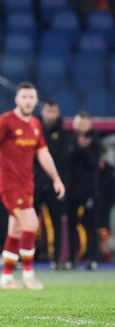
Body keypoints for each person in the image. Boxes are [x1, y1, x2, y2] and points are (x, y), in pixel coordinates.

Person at [0, 83, 65, 290]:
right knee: (32, 223)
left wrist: (56, 178)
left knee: (16, 230)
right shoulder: (6, 121)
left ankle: (6, 277)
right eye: (24, 97)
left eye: (31, 97)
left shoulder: (36, 124)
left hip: (27, 184)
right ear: (16, 99)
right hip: (9, 183)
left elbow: (43, 154)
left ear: (36, 101)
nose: (28, 101)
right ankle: (28, 274)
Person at [33, 100, 70, 270]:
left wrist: (59, 180)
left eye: (53, 111)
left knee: (57, 223)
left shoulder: (63, 133)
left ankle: (57, 258)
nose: (50, 115)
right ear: (43, 112)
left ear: (58, 113)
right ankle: (26, 258)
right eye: (48, 111)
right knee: (29, 223)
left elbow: (65, 160)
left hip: (54, 184)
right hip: (35, 183)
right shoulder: (33, 128)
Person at [67, 111, 101, 270]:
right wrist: (78, 147)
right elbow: (66, 161)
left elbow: (94, 163)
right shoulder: (70, 139)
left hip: (89, 191)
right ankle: (72, 259)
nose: (81, 127)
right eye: (79, 123)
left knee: (91, 226)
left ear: (89, 124)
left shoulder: (94, 140)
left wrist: (85, 148)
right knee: (71, 226)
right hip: (72, 190)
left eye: (84, 124)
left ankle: (92, 259)